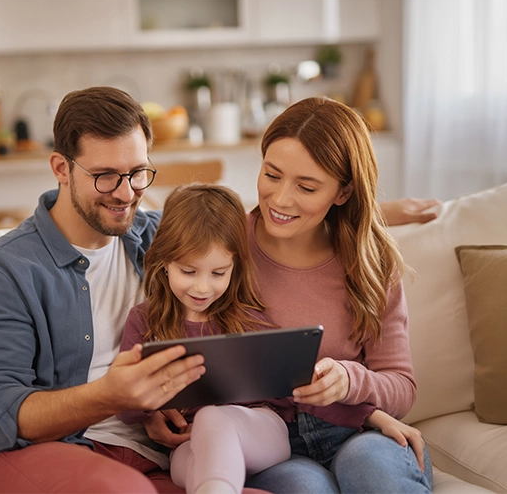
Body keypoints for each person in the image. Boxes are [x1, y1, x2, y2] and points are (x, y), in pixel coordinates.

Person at [0, 85, 438, 494]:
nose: (125, 193)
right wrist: (114, 397)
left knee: (362, 470)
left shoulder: (157, 237)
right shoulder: (6, 272)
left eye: (138, 174)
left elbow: (251, 218)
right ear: (61, 168)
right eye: (104, 176)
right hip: (95, 449)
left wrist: (367, 410)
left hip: (201, 446)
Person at [141, 97, 434, 493]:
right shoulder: (221, 249)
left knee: (371, 468)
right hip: (269, 443)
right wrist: (154, 406)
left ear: (343, 192)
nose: (279, 199)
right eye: (272, 175)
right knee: (304, 488)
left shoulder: (370, 261)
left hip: (359, 430)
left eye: (307, 187)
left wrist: (349, 381)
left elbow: (400, 388)